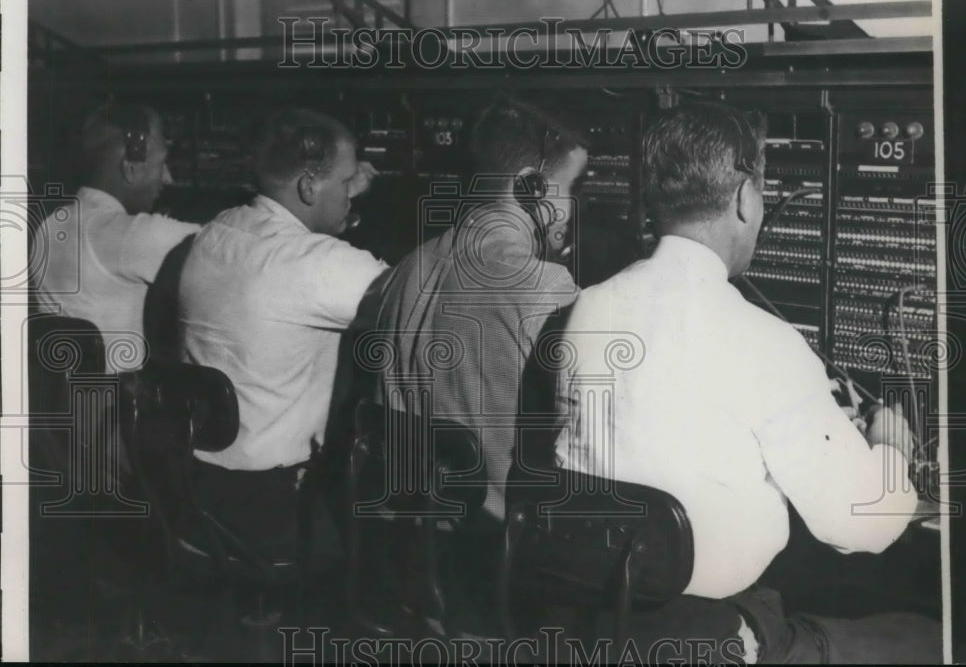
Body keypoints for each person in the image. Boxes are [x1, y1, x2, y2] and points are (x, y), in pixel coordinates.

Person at [554, 103, 940, 663]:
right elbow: (867, 525)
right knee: (931, 638)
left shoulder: (585, 308)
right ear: (744, 199)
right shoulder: (764, 341)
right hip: (710, 638)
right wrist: (891, 447)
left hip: (591, 628)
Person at [364, 97, 587, 620]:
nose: (573, 210)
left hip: (406, 548)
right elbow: (582, 431)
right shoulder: (545, 287)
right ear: (531, 187)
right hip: (495, 563)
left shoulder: (407, 267)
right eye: (571, 191)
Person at [178, 107, 387, 565]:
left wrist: (344, 198)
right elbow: (417, 305)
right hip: (272, 508)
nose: (351, 190)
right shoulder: (313, 263)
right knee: (391, 534)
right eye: (346, 180)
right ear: (309, 186)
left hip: (194, 485)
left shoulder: (217, 230)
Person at [34, 102, 199, 369]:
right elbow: (228, 244)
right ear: (130, 167)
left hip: (64, 401)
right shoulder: (126, 234)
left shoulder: (48, 226)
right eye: (161, 163)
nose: (167, 178)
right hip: (119, 405)